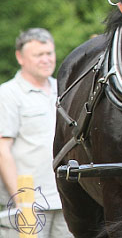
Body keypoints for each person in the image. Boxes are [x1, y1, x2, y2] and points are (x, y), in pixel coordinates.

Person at [0, 28, 71, 238]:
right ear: (20, 57)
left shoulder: (65, 89)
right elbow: (3, 151)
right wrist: (22, 201)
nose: (46, 59)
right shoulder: (8, 94)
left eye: (49, 53)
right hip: (30, 203)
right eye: (38, 55)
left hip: (66, 200)